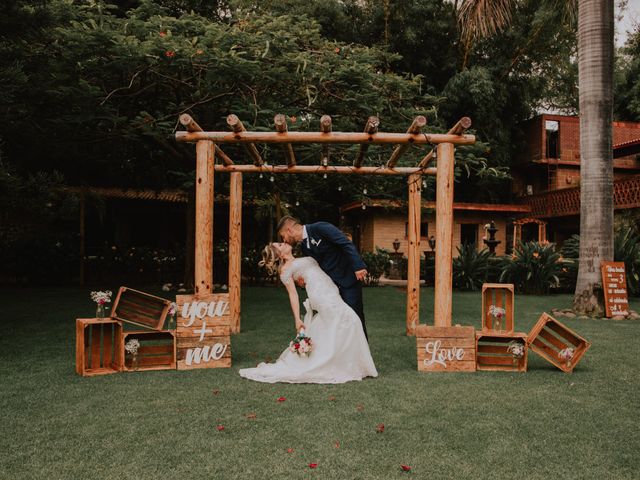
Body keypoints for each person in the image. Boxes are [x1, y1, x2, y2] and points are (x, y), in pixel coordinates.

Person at [238, 242, 377, 384]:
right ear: (279, 254)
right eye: (280, 244)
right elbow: (293, 295)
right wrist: (298, 319)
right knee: (351, 319)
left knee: (339, 325)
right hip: (320, 295)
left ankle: (343, 363)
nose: (284, 242)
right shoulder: (286, 269)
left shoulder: (298, 259)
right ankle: (342, 365)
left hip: (330, 290)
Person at [277, 216, 369, 339]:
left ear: (289, 230)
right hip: (330, 290)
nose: (285, 240)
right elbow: (316, 268)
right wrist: (304, 281)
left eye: (283, 236)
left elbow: (345, 242)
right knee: (339, 325)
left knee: (356, 320)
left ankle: (362, 356)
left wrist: (358, 266)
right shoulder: (304, 247)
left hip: (348, 281)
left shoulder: (320, 227)